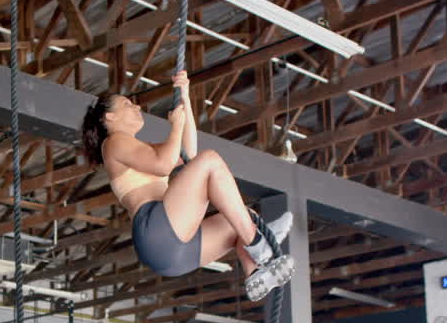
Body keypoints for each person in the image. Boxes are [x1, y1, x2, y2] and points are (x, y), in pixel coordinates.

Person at [80, 71, 295, 301]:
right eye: (127, 104)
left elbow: (188, 153)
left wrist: (186, 99)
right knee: (210, 160)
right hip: (157, 230)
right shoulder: (113, 142)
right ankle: (257, 243)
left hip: (172, 253)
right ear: (109, 117)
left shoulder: (139, 150)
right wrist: (175, 126)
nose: (137, 107)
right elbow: (164, 165)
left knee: (244, 218)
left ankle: (254, 273)